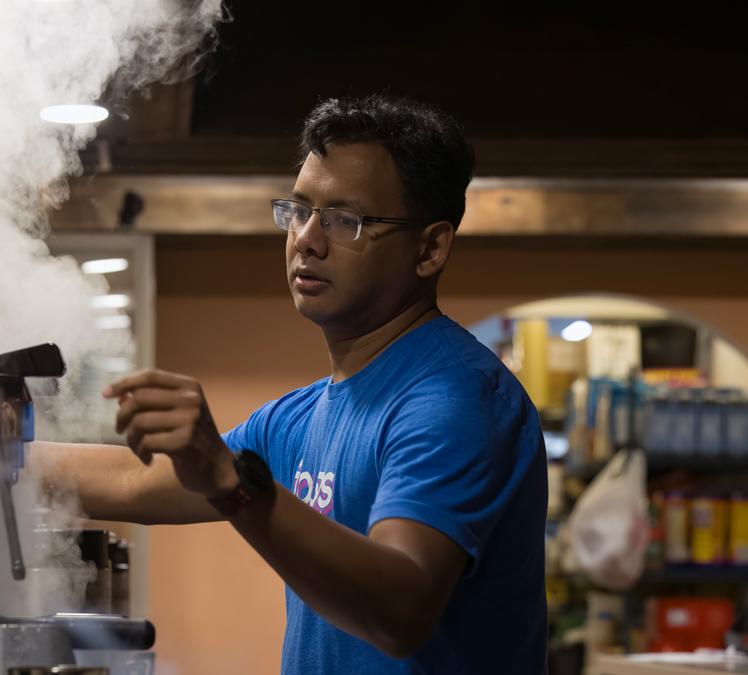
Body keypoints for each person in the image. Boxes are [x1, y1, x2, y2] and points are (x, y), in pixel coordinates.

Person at [36, 94, 548, 674]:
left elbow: (399, 610)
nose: (306, 238)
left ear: (430, 248)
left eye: (343, 220)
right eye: (298, 210)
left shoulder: (454, 400)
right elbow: (137, 480)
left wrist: (235, 485)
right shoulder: (303, 416)